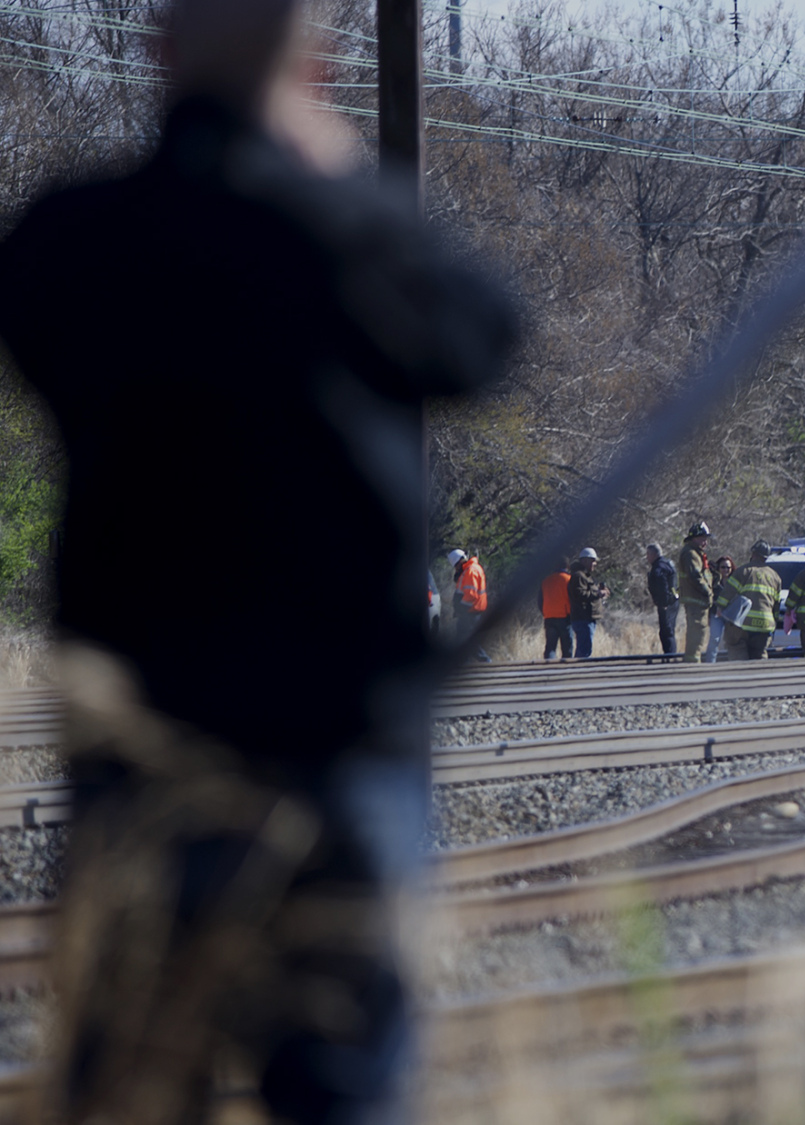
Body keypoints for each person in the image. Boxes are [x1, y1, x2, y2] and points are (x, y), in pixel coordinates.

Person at [0, 0, 517, 1118]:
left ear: (157, 53)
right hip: (332, 742)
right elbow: (481, 340)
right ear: (314, 64)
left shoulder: (73, 236)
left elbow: (32, 330)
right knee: (340, 1080)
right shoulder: (344, 235)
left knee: (133, 1077)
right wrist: (324, 171)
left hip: (139, 746)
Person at [721, 540, 783, 660]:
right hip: (765, 625)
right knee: (760, 654)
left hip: (743, 623)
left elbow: (726, 595)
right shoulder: (775, 577)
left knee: (736, 648)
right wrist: (773, 622)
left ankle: (741, 674)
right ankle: (761, 675)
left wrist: (720, 609)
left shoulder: (743, 571)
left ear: (754, 554)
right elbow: (776, 605)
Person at [678, 521, 715, 663]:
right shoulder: (690, 554)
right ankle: (692, 664)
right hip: (696, 600)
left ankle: (693, 660)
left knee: (699, 633)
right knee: (696, 633)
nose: (705, 542)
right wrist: (708, 592)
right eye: (703, 538)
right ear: (694, 538)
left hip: (699, 601)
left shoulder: (696, 553)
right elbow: (695, 576)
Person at [567, 548, 608, 658]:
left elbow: (585, 592)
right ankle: (579, 671)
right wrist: (597, 594)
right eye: (593, 560)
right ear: (585, 561)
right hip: (583, 619)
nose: (595, 564)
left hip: (586, 618)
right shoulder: (579, 576)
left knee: (585, 649)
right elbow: (580, 594)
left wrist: (599, 591)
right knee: (584, 651)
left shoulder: (584, 576)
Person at [644, 541, 678, 656]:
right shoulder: (668, 563)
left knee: (666, 631)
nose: (647, 557)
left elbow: (662, 585)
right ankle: (670, 655)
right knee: (669, 630)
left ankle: (670, 656)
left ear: (653, 554)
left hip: (666, 604)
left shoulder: (658, 567)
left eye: (648, 554)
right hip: (674, 602)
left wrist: (663, 602)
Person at [539, 562, 574, 660]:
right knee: (567, 649)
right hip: (565, 618)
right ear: (567, 566)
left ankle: (548, 669)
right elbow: (573, 599)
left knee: (550, 648)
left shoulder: (546, 581)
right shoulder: (569, 579)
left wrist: (545, 612)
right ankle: (567, 671)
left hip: (549, 618)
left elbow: (540, 601)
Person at [705, 555, 734, 662]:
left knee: (732, 641)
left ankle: (732, 664)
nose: (726, 570)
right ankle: (710, 663)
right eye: (723, 567)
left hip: (731, 616)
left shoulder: (735, 582)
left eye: (728, 568)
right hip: (716, 615)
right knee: (714, 639)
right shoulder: (713, 583)